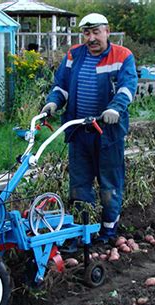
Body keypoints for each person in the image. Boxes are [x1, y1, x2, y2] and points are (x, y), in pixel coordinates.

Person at [41, 13, 138, 244]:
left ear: (107, 31)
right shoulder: (75, 54)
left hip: (107, 133)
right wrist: (53, 102)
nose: (92, 38)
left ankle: (108, 231)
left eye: (96, 32)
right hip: (79, 131)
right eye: (87, 32)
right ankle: (80, 231)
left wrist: (115, 108)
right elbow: (62, 85)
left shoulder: (122, 56)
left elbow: (127, 87)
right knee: (79, 184)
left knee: (109, 183)